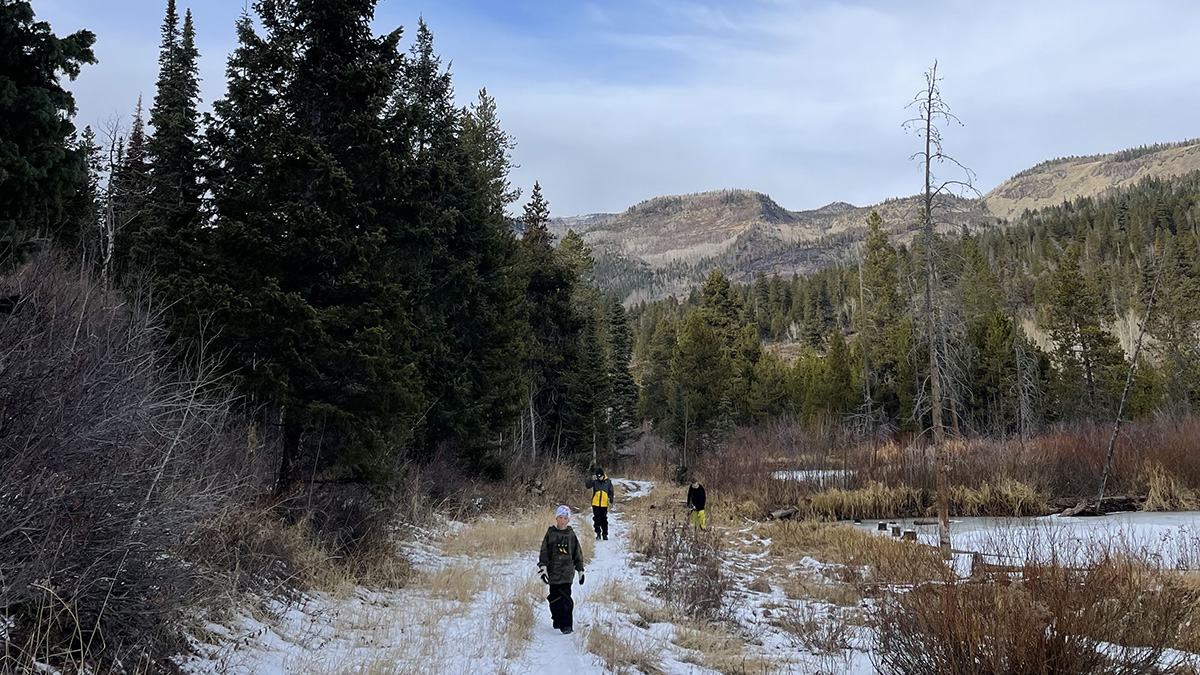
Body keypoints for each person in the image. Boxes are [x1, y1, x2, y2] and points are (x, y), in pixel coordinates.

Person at [537, 505, 585, 634]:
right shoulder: (550, 534)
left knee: (566, 598)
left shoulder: (570, 535)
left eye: (565, 518)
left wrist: (580, 570)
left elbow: (577, 553)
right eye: (560, 518)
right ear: (556, 518)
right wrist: (543, 568)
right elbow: (544, 552)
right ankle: (557, 620)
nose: (562, 521)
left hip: (567, 572)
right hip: (553, 573)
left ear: (568, 520)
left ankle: (566, 625)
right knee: (554, 598)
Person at [585, 468, 614, 540]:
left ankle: (605, 534)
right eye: (598, 477)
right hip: (595, 503)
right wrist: (590, 478)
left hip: (604, 504)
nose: (599, 478)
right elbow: (588, 486)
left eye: (600, 476)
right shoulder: (595, 482)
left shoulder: (608, 482)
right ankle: (598, 533)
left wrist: (611, 500)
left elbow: (611, 491)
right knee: (597, 519)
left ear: (603, 475)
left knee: (604, 519)